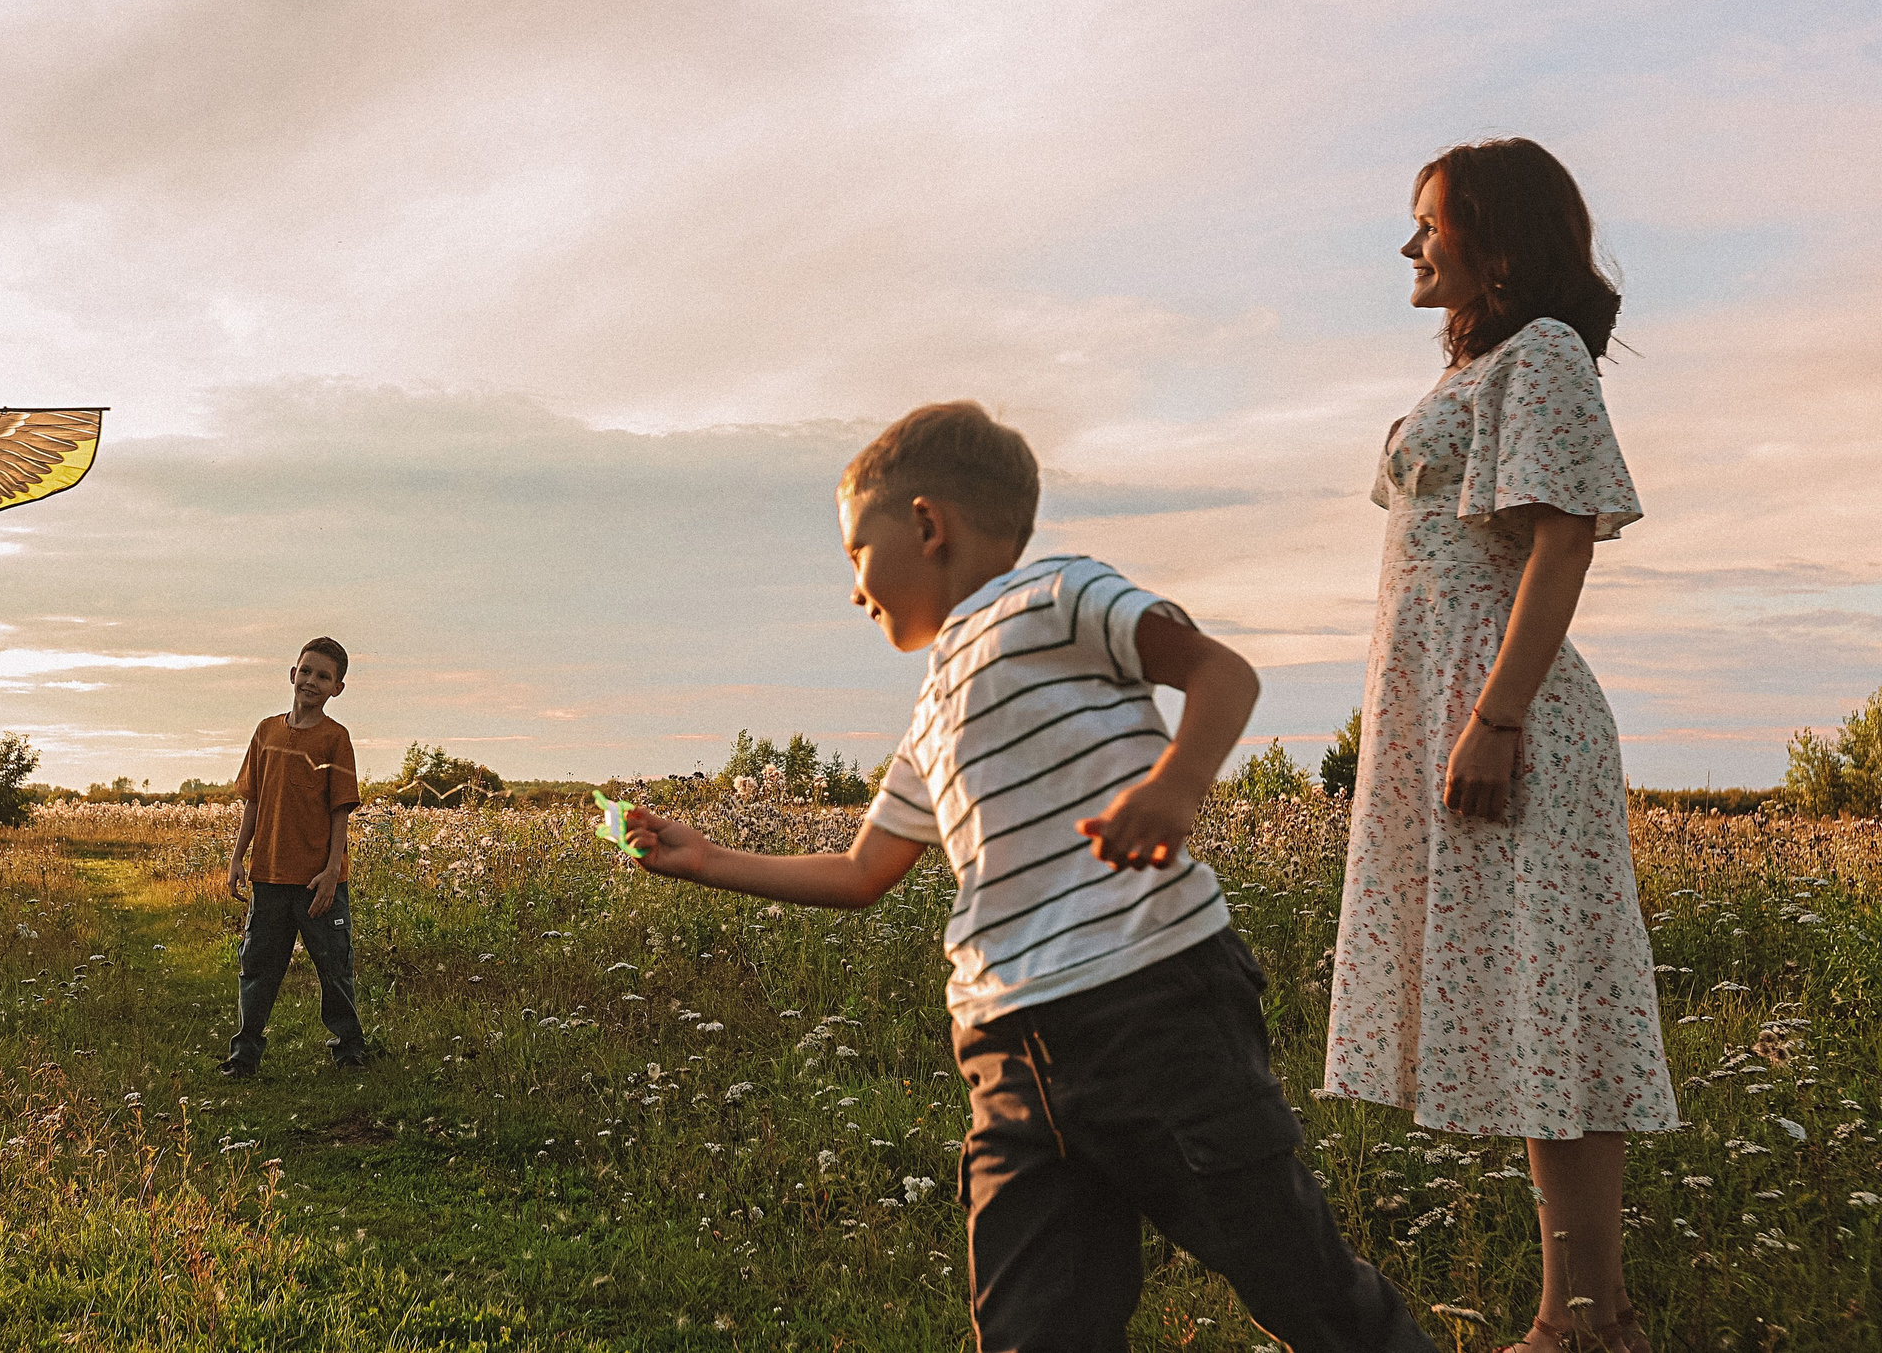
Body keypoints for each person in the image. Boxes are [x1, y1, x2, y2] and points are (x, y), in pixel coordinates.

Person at [629, 403, 1430, 1353]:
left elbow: (1220, 672)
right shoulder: (931, 708)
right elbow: (862, 869)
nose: (853, 589)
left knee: (1294, 1274)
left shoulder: (1059, 594)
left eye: (856, 552)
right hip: (1007, 1053)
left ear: (927, 524)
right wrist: (707, 858)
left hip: (1154, 1008)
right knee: (1033, 1325)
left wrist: (1175, 788)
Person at [1325, 140, 1674, 1353]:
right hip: (1459, 716)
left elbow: (1560, 543)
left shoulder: (1544, 354)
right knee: (1535, 1006)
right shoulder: (1486, 367)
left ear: (1501, 243)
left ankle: (1583, 1324)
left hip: (1509, 724)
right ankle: (1582, 1319)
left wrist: (1498, 719)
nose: (1411, 245)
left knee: (1559, 1004)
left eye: (1430, 223)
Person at [221, 637, 367, 1075]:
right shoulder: (266, 732)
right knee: (258, 968)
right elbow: (253, 802)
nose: (311, 682)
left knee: (334, 968)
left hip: (318, 884)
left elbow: (340, 809)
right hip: (268, 876)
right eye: (306, 671)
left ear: (337, 688)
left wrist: (330, 872)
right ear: (292, 674)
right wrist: (236, 858)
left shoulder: (335, 740)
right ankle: (244, 1056)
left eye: (324, 677)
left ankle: (350, 1051)